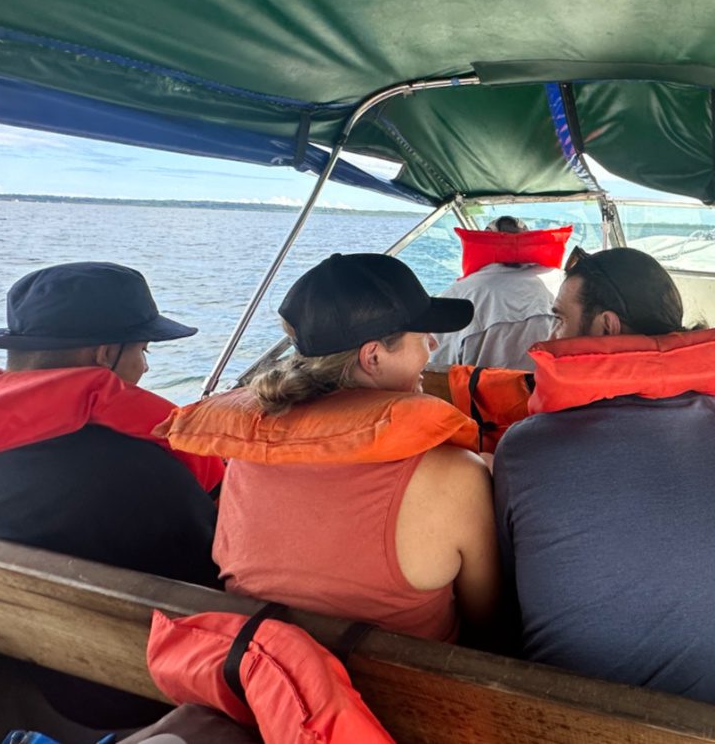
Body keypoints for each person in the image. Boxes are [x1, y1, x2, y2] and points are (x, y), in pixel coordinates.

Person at [492, 248, 715, 710]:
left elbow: (506, 593)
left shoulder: (526, 447)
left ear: (607, 326)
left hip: (567, 723)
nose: (551, 337)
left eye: (560, 319)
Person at [163, 253, 502, 646]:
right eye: (422, 335)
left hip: (265, 675)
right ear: (373, 356)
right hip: (409, 685)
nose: (432, 344)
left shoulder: (248, 454)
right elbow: (490, 626)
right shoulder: (455, 478)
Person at [0, 262, 220, 586]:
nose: (145, 367)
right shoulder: (146, 473)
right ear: (105, 354)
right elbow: (220, 575)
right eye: (144, 351)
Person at [430, 216, 564, 370]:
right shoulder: (561, 282)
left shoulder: (459, 293)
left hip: (479, 385)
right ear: (529, 243)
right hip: (544, 383)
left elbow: (438, 363)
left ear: (483, 244)